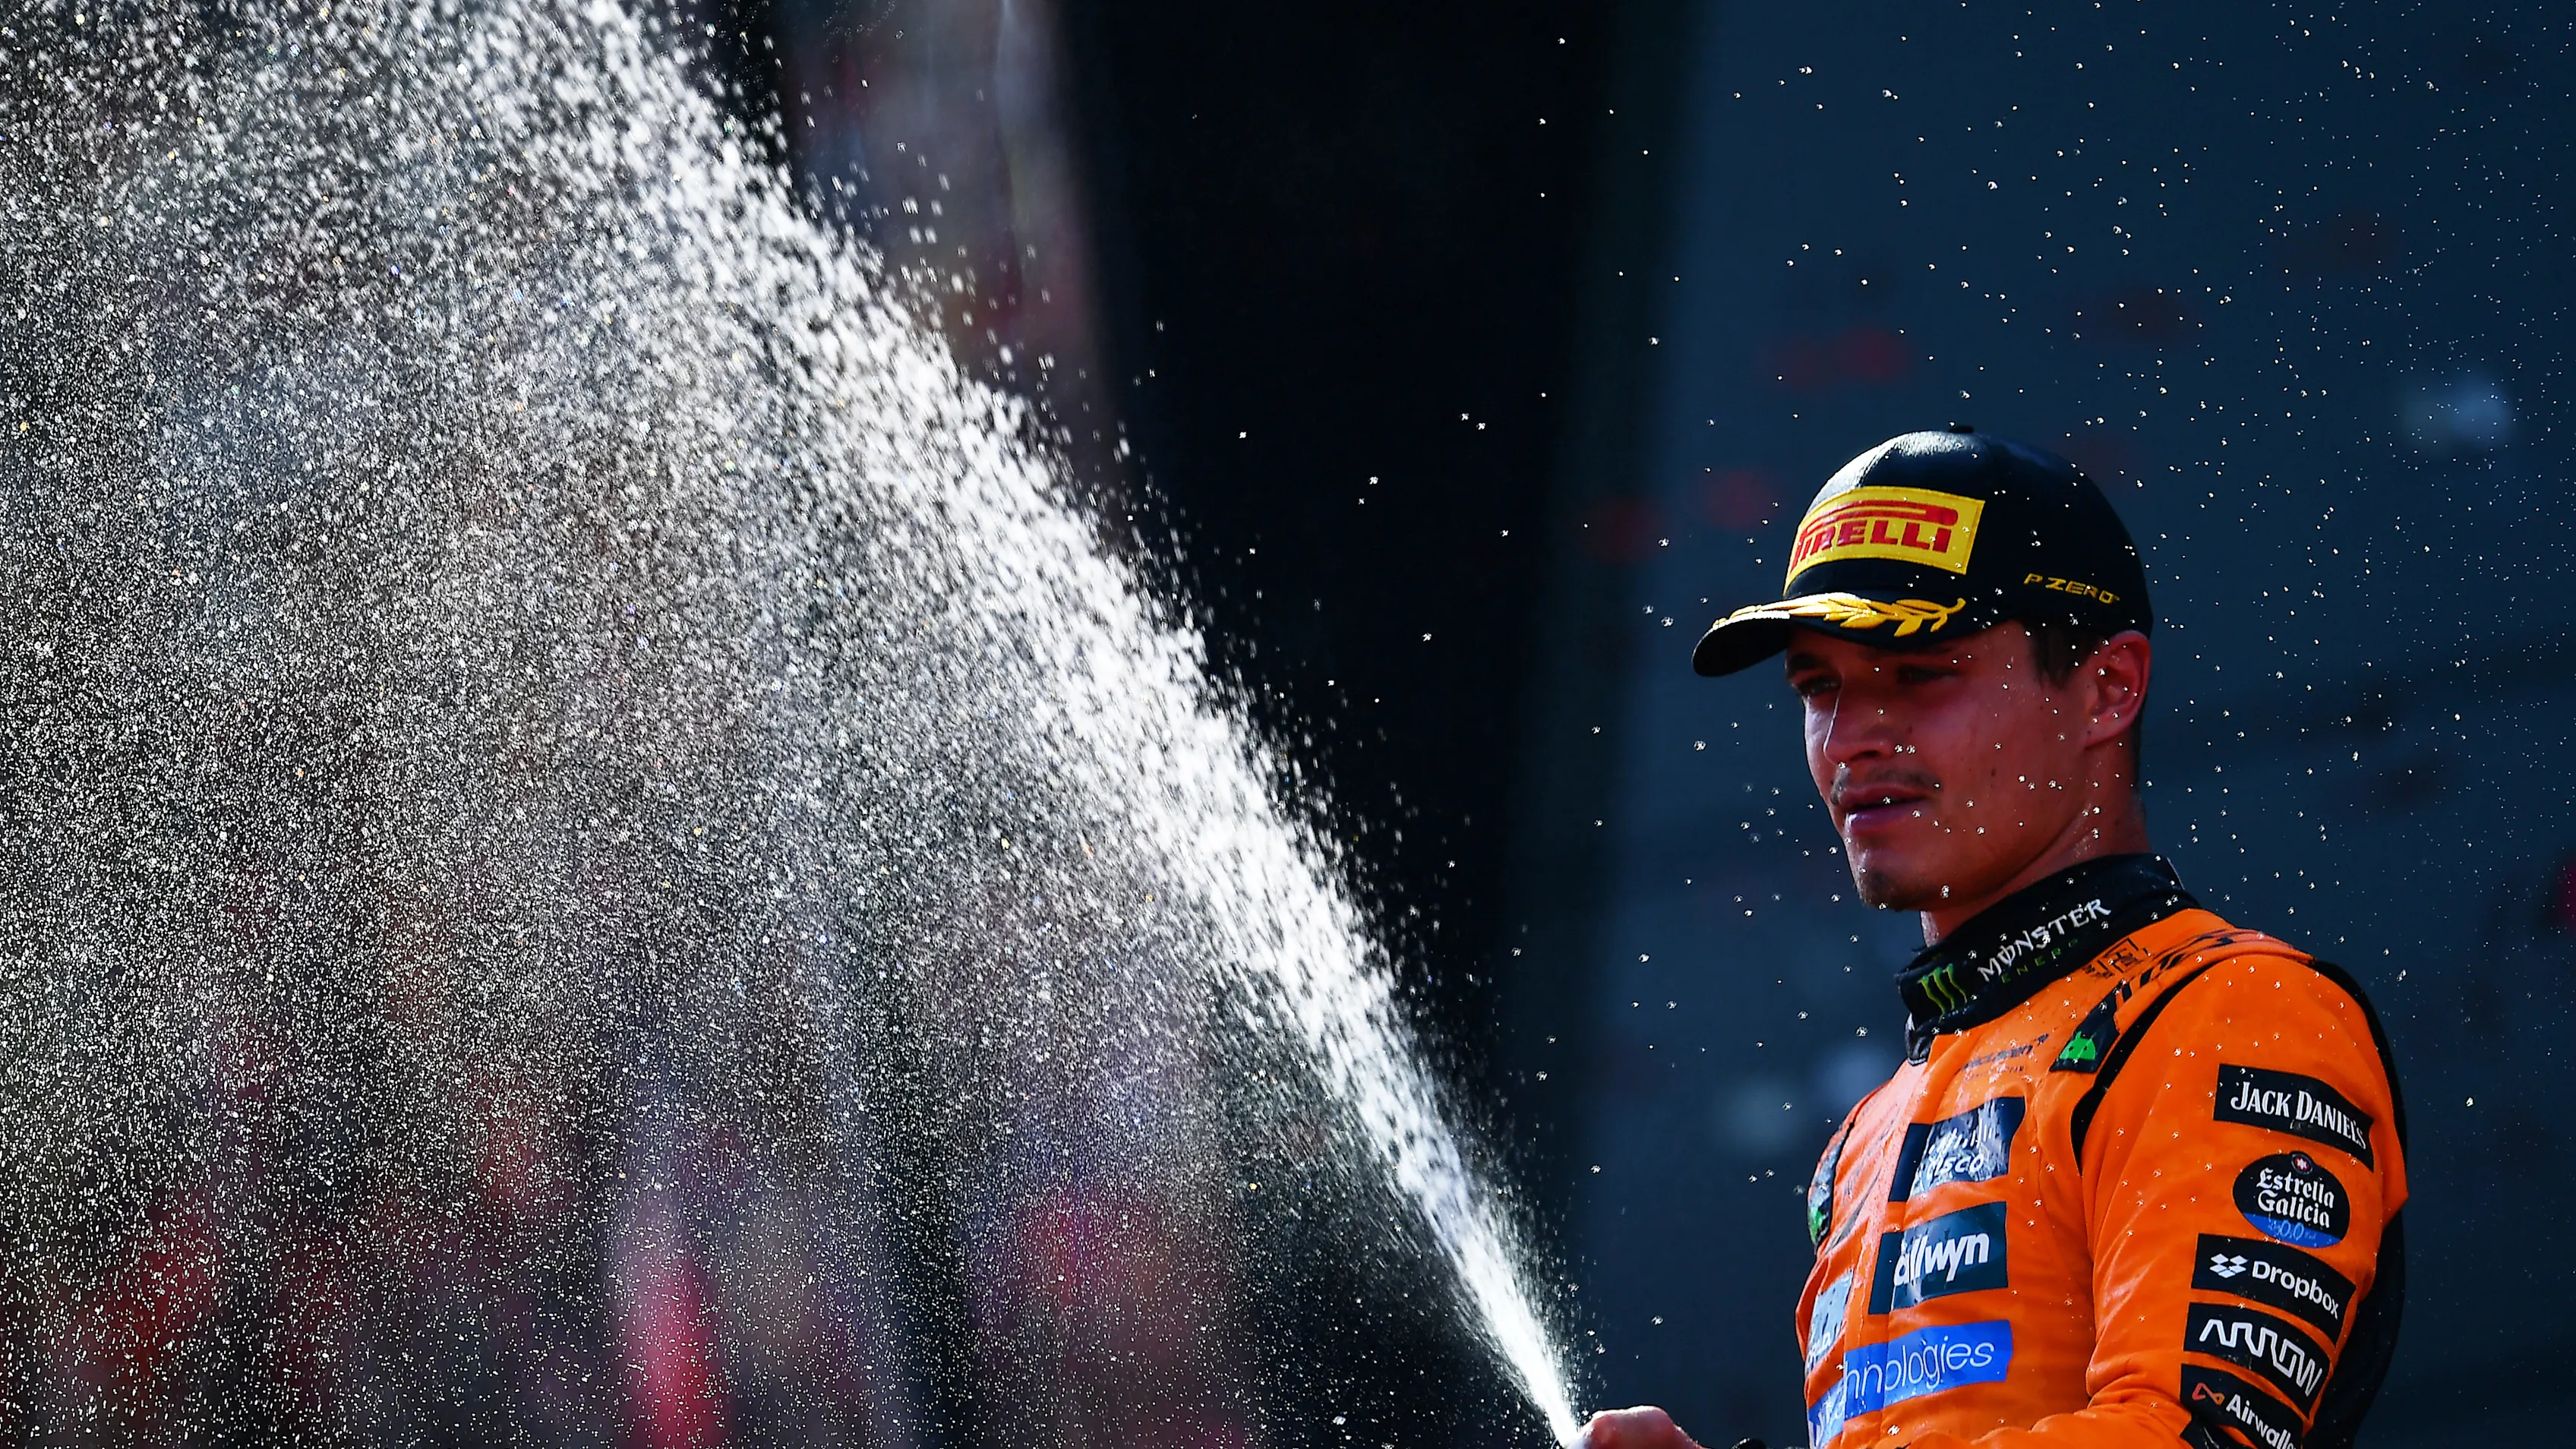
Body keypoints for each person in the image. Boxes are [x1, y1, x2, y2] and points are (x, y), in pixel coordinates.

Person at [1582, 427, 2406, 1449]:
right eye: (1818, 687)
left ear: (2109, 688)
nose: (1850, 739)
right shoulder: (1864, 1139)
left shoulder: (2231, 1012)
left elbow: (2185, 1438)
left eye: (1921, 672)